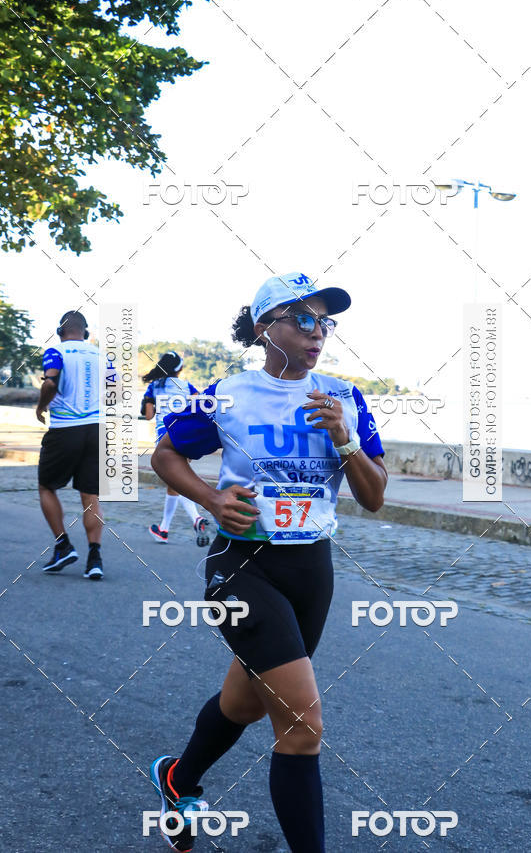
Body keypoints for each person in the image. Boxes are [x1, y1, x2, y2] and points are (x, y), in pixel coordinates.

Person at [149, 272, 387, 852]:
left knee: (245, 702)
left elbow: (375, 496)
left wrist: (345, 438)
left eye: (325, 322)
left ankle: (178, 778)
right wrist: (211, 499)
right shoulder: (229, 393)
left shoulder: (344, 397)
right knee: (302, 726)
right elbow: (166, 455)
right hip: (242, 565)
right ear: (265, 328)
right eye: (302, 319)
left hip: (312, 570)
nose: (317, 332)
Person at [37, 310, 104, 580]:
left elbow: (50, 383)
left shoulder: (56, 352)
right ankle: (95, 559)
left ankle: (63, 546)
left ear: (60, 331)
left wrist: (40, 407)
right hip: (97, 429)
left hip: (65, 429)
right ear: (85, 333)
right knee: (91, 495)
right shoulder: (102, 356)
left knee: (46, 486)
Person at [141, 351, 209, 547]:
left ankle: (196, 518)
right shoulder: (187, 386)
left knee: (176, 482)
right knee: (175, 483)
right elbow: (201, 408)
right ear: (179, 369)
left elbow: (148, 416)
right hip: (185, 435)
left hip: (165, 439)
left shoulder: (154, 386)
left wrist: (149, 403)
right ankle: (164, 529)